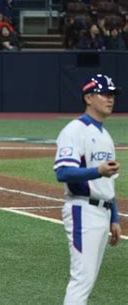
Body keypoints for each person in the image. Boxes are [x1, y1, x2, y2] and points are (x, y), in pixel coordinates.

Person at [53, 74, 121, 304]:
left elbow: (108, 183)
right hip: (83, 210)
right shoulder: (75, 130)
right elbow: (63, 173)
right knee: (82, 280)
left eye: (112, 94)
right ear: (89, 97)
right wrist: (97, 171)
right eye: (105, 94)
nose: (110, 99)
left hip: (102, 212)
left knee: (88, 279)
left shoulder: (105, 135)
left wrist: (115, 218)